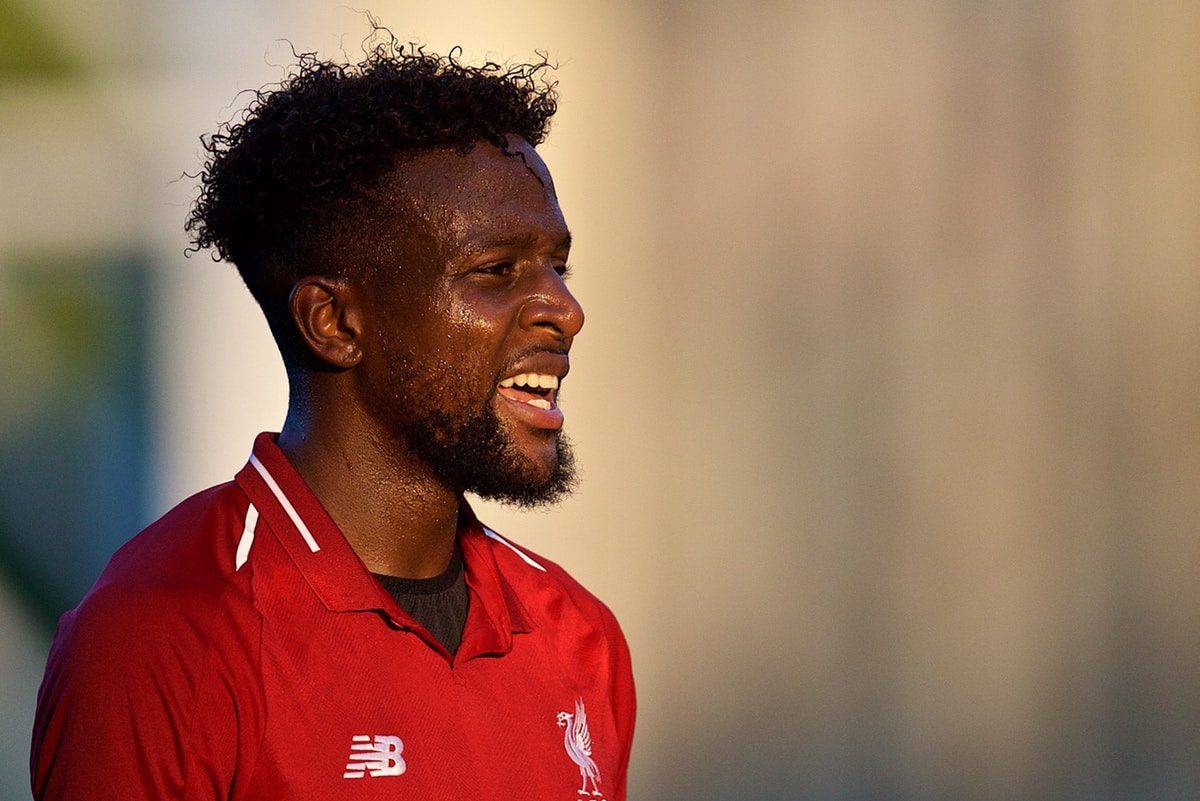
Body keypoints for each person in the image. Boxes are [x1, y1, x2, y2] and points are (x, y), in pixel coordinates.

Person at [30, 35, 635, 801]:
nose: (566, 310)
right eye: (496, 271)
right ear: (335, 323)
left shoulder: (580, 638)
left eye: (559, 266)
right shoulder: (159, 636)